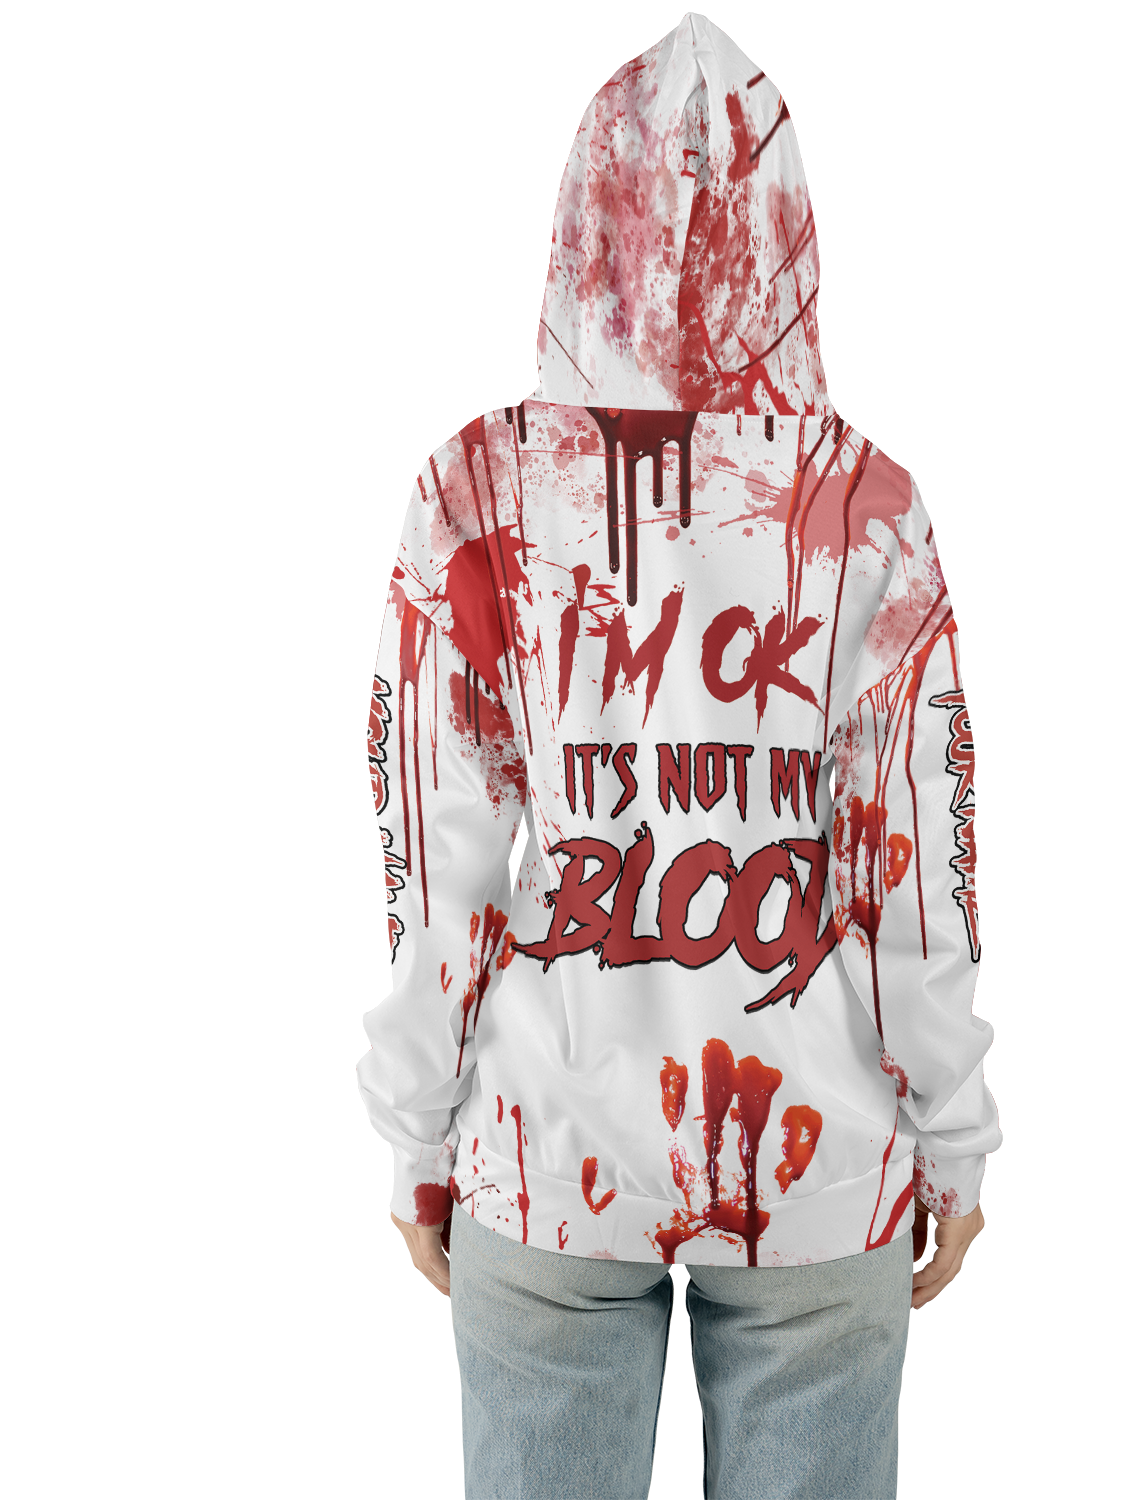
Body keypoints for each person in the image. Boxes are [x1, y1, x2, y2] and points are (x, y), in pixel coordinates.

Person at [356, 13, 1001, 1498]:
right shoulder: (867, 506)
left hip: (544, 1144)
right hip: (818, 1153)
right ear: (793, 234)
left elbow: (434, 854)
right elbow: (919, 863)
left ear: (580, 221)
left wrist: (416, 1132)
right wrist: (953, 1134)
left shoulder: (476, 491)